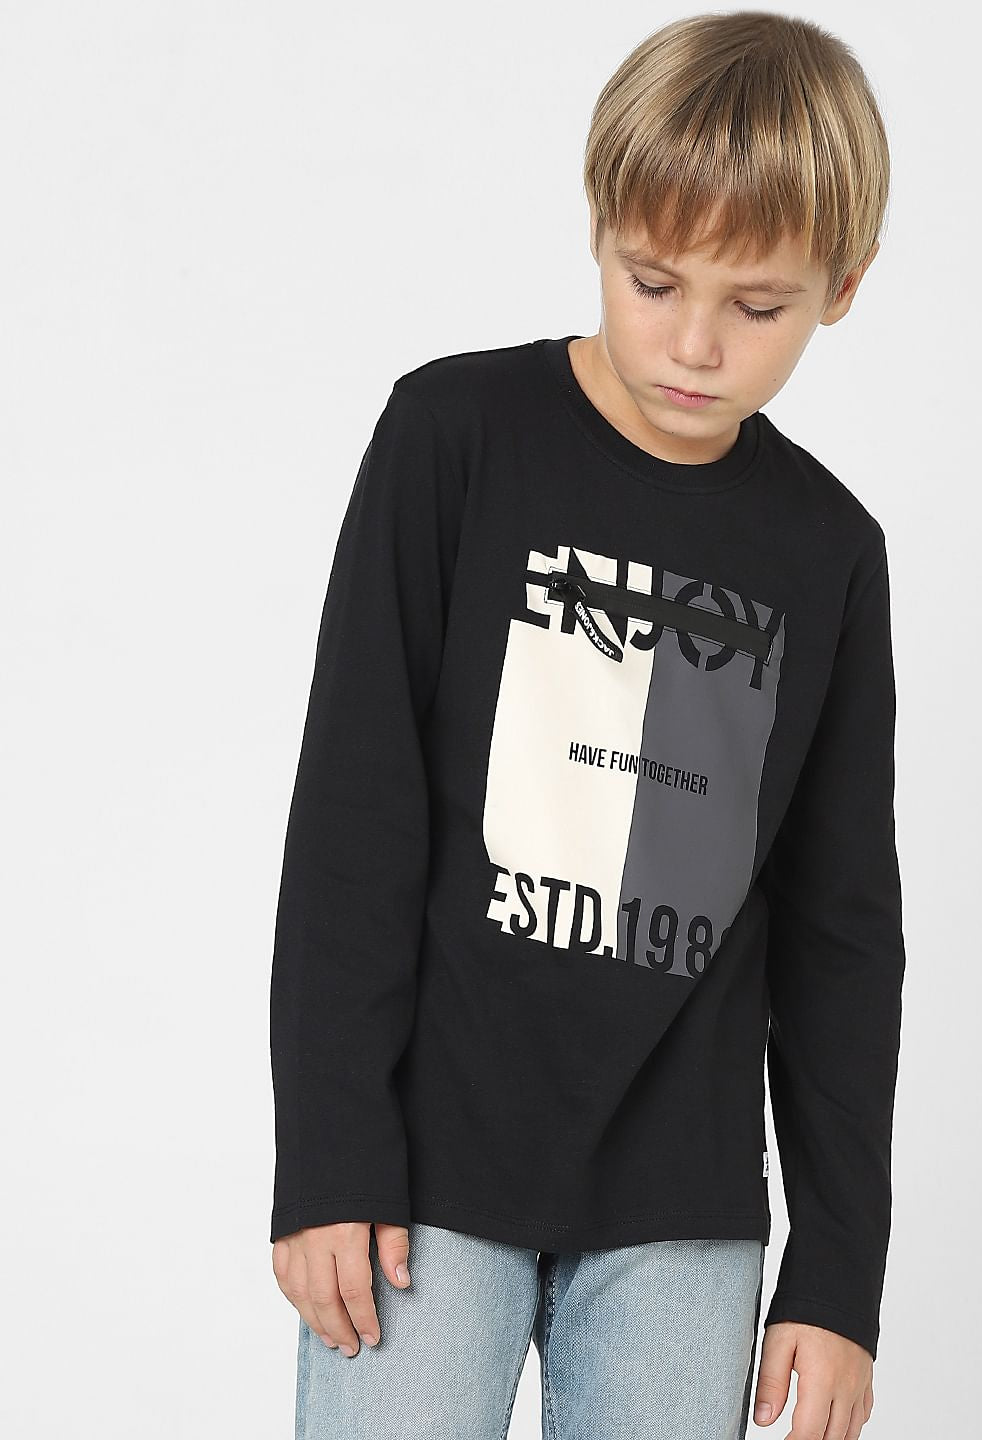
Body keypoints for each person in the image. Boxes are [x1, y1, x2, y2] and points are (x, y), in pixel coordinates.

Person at [269, 11, 906, 1438]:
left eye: (759, 307)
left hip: (682, 1205)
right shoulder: (453, 438)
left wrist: (838, 1274)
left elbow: (843, 931)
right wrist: (329, 1154)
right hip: (421, 1176)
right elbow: (354, 816)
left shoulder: (829, 552)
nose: (695, 344)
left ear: (845, 286)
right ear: (600, 227)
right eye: (653, 281)